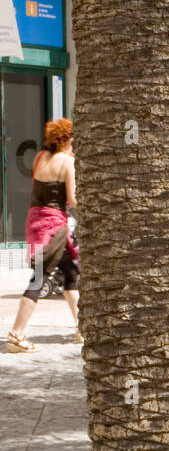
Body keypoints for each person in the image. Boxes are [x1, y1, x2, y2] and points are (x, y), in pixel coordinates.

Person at [6, 117, 80, 352]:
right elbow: (71, 200)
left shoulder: (40, 157)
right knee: (39, 278)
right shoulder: (66, 163)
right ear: (67, 139)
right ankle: (16, 334)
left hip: (35, 222)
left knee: (71, 273)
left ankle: (82, 328)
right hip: (54, 227)